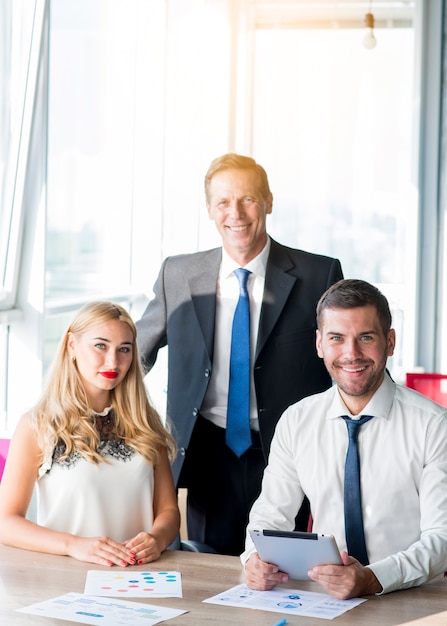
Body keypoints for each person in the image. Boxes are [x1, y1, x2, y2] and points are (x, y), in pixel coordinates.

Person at [136, 153, 344, 555]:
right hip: (208, 451)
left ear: (268, 201)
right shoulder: (178, 275)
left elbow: (347, 355)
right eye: (224, 202)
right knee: (211, 569)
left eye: (248, 199)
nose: (236, 213)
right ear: (210, 210)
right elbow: (134, 354)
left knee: (284, 566)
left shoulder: (320, 274)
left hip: (287, 449)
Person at [242, 278, 447, 598]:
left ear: (390, 342)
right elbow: (270, 517)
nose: (351, 354)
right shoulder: (297, 421)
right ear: (319, 344)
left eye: (366, 337)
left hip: (411, 596)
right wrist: (253, 559)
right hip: (324, 596)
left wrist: (374, 578)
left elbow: (442, 538)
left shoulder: (433, 425)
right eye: (337, 338)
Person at [0, 301, 180, 567]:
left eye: (124, 350)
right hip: (65, 578)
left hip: (137, 577)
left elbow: (168, 511)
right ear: (72, 345)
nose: (113, 361)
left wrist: (157, 539)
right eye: (100, 346)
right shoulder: (37, 424)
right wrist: (75, 546)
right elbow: (6, 522)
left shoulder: (145, 422)